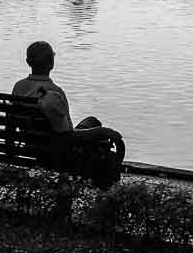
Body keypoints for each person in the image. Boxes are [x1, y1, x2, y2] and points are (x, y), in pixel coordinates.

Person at [10, 40, 125, 186]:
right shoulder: (54, 93)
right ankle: (105, 197)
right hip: (56, 153)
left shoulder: (18, 87)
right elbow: (67, 135)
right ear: (52, 62)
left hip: (31, 146)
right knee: (100, 137)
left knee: (91, 121)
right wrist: (101, 131)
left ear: (28, 62)